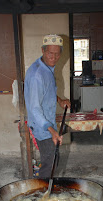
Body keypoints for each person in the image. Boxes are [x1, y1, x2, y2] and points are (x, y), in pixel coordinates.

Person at [24, 34, 71, 178]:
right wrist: (52, 130)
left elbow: (46, 94)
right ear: (43, 51)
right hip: (41, 125)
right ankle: (41, 194)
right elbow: (35, 108)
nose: (54, 57)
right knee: (50, 163)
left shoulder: (47, 69)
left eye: (57, 54)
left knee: (53, 159)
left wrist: (60, 100)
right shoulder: (37, 75)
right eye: (50, 53)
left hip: (47, 123)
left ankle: (45, 189)